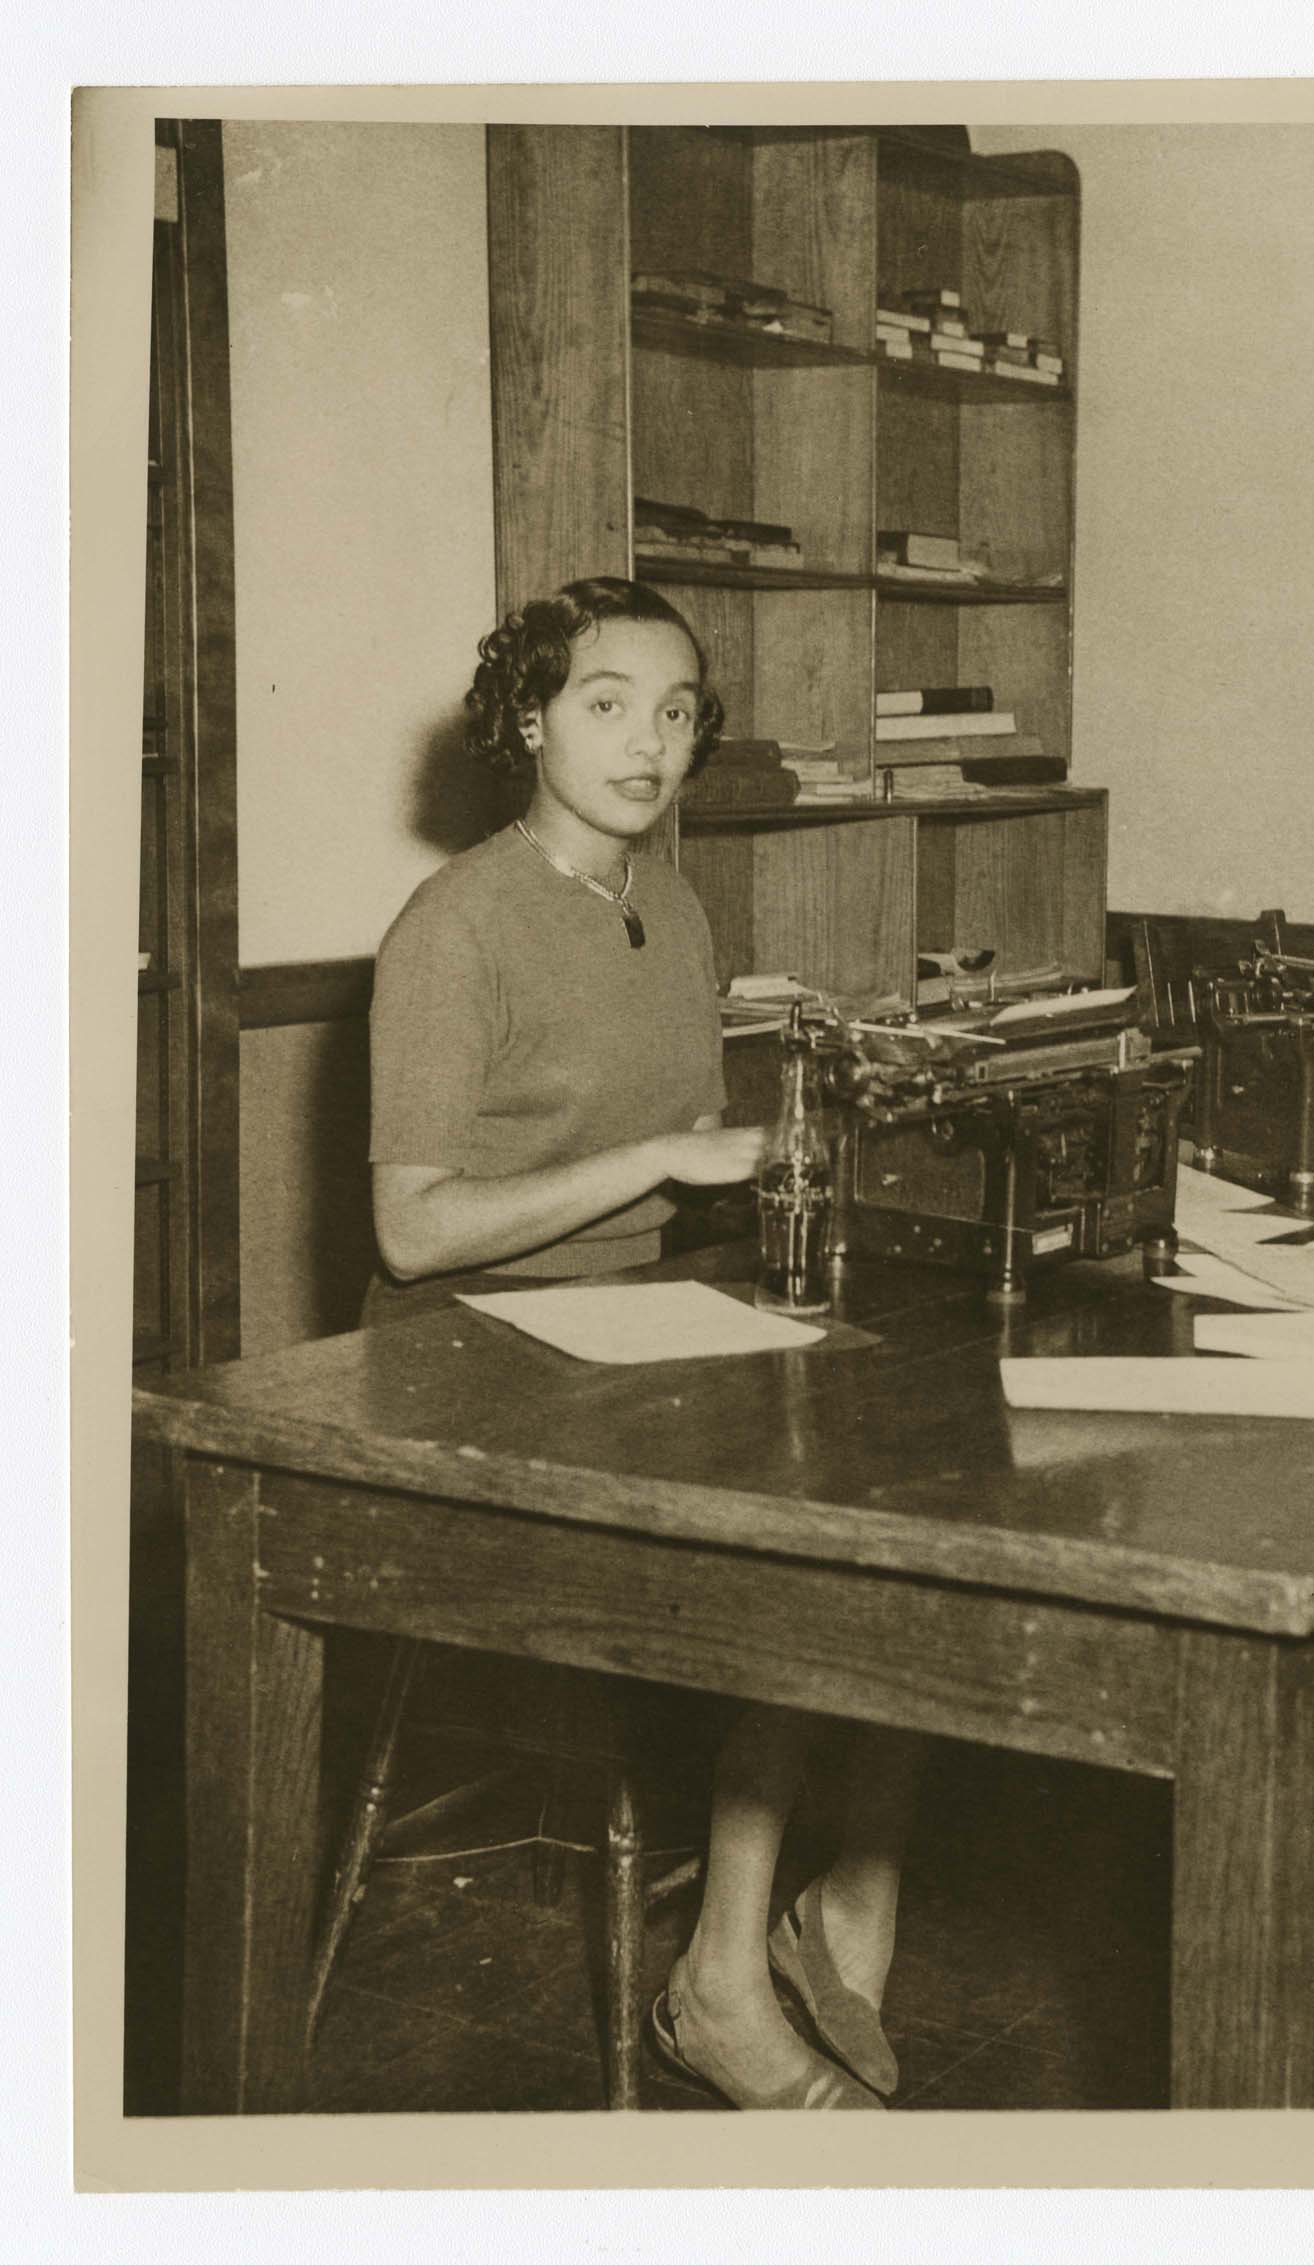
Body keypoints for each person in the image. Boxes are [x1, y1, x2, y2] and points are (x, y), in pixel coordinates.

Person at [368, 576, 913, 2111]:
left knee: (909, 1489)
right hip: (466, 1359)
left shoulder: (669, 906)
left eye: (677, 712)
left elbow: (685, 1147)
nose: (650, 742)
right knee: (795, 1545)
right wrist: (665, 1163)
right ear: (528, 717)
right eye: (607, 702)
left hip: (630, 1335)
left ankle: (848, 1911)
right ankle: (723, 1983)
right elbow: (411, 1230)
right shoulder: (452, 925)